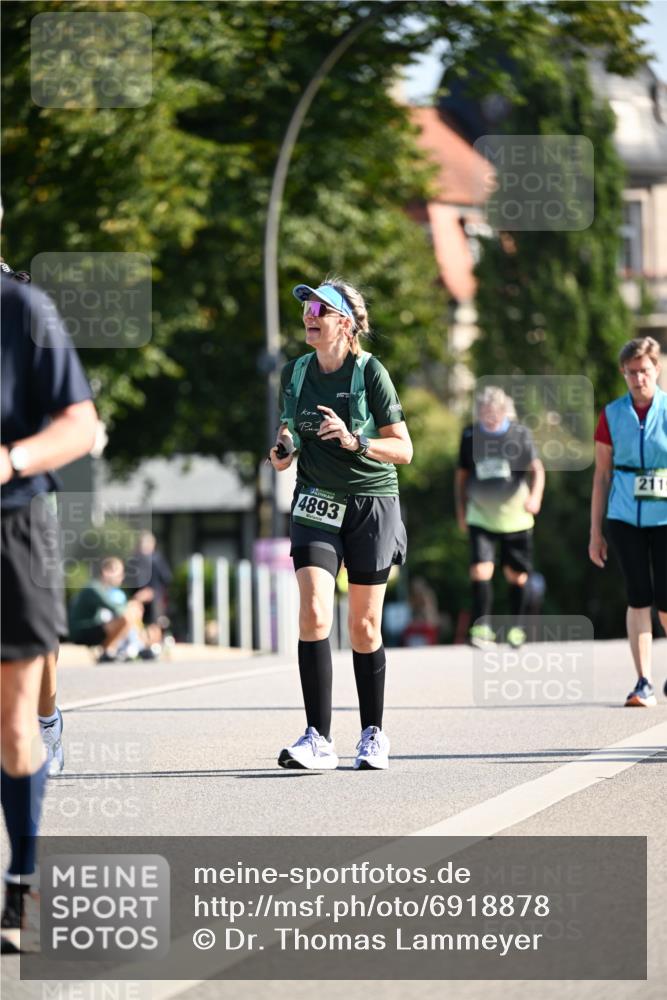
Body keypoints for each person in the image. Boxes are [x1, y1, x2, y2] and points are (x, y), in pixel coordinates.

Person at [270, 277, 412, 771]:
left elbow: (404, 449)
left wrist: (356, 442)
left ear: (345, 324)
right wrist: (284, 448)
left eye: (321, 310)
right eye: (308, 307)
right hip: (315, 500)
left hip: (371, 501)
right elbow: (289, 428)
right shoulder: (295, 372)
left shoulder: (371, 373)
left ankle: (373, 733)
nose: (310, 315)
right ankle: (318, 738)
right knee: (312, 612)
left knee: (364, 625)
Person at [1, 267, 97, 951]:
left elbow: (80, 425)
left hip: (13, 526)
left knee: (12, 727)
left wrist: (11, 460)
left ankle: (24, 882)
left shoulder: (23, 308)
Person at [589, 336, 667, 707]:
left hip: (665, 517)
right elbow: (601, 474)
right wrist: (595, 532)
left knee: (666, 602)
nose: (639, 378)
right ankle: (644, 682)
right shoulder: (612, 414)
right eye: (632, 372)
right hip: (624, 516)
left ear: (657, 369)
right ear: (624, 373)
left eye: (645, 371)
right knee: (638, 597)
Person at [455, 386, 545, 649]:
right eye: (484, 413)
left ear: (505, 411)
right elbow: (460, 477)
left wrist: (535, 497)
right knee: (480, 569)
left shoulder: (520, 435)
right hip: (480, 515)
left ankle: (517, 628)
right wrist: (461, 510)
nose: (489, 418)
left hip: (516, 516)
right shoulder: (470, 435)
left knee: (516, 576)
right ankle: (481, 628)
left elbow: (537, 470)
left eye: (494, 413)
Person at [68, 556, 157, 663]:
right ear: (106, 572)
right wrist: (136, 600)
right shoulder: (94, 588)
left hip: (93, 628)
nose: (122, 577)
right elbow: (117, 610)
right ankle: (108, 651)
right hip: (81, 632)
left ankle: (132, 648)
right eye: (119, 574)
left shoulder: (105, 589)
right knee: (126, 617)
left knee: (132, 615)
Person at [125, 531, 172, 646]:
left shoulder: (155, 559)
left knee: (153, 622)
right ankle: (142, 643)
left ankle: (153, 643)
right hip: (139, 597)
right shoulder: (134, 560)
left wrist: (153, 592)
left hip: (153, 596)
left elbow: (166, 578)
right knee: (138, 621)